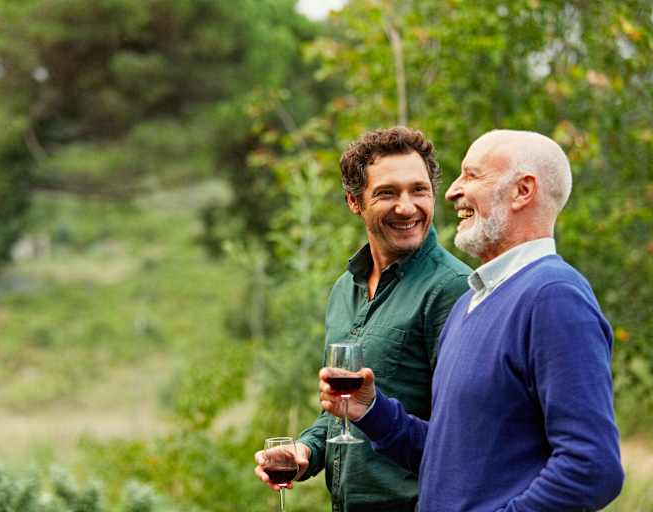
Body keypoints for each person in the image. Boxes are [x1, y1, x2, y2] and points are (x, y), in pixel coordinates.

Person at [319, 129, 625, 511]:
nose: (450, 192)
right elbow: (448, 461)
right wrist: (372, 411)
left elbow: (592, 467)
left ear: (522, 191)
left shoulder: (553, 295)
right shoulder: (473, 301)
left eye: (473, 175)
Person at [255, 126, 471, 511]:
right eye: (387, 193)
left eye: (419, 190)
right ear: (354, 202)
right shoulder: (344, 289)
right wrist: (306, 449)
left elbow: (462, 442)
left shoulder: (451, 289)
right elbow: (341, 409)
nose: (407, 207)